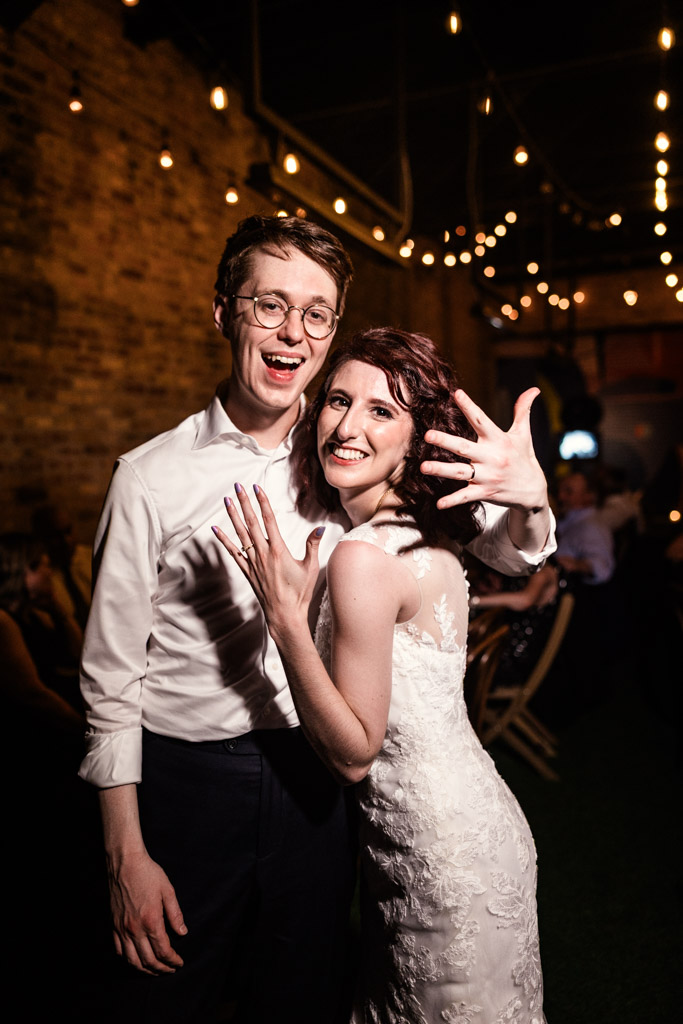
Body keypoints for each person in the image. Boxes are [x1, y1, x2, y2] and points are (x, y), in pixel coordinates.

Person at [214, 327, 555, 1023]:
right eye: (338, 400)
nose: (346, 424)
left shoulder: (362, 556)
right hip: (472, 834)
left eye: (381, 410)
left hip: (438, 858)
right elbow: (515, 555)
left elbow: (352, 754)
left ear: (415, 438)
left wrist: (284, 622)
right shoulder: (426, 531)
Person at [78, 215, 358, 1024]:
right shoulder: (147, 478)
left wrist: (524, 510)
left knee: (306, 996)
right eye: (269, 304)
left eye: (315, 312)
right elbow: (109, 681)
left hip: (315, 780)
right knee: (170, 995)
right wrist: (124, 853)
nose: (291, 332)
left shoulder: (350, 458)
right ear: (222, 312)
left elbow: (491, 552)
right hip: (186, 787)